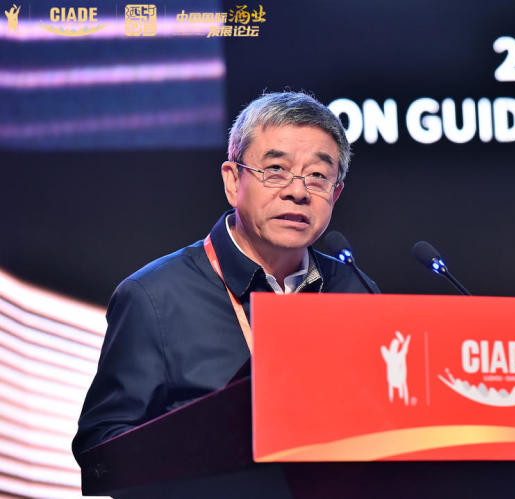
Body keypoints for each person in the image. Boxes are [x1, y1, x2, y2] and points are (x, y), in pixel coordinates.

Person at [72, 91, 378, 462]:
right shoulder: (155, 298)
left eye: (317, 176)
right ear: (233, 181)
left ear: (336, 193)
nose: (298, 191)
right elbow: (101, 447)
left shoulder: (356, 292)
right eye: (276, 170)